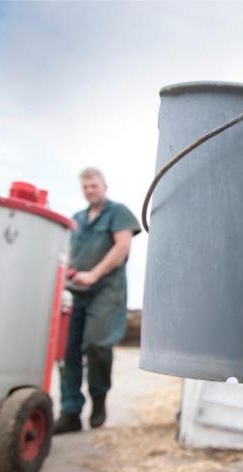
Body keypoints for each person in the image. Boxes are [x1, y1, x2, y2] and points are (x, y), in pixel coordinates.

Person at [54, 167, 141, 434]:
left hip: (105, 291)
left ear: (105, 186)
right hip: (74, 293)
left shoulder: (118, 213)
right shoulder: (76, 219)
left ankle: (99, 399)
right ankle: (70, 412)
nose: (89, 190)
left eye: (94, 186)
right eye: (85, 187)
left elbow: (122, 246)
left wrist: (93, 274)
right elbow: (64, 252)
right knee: (67, 352)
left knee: (97, 345)